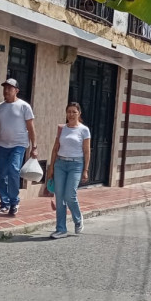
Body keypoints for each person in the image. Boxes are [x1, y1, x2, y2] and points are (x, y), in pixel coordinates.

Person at [0, 79, 36, 216]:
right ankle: (4, 204)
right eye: (5, 88)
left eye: (10, 88)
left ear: (16, 91)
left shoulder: (24, 106)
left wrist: (34, 147)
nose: (6, 91)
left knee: (13, 170)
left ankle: (14, 202)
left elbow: (31, 128)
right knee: (2, 175)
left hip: (19, 145)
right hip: (2, 145)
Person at [46, 102, 91, 239]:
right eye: (69, 112)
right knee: (60, 197)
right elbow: (55, 148)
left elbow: (87, 151)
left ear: (79, 113)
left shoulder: (84, 130)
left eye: (74, 112)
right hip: (60, 164)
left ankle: (78, 219)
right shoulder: (62, 128)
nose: (71, 114)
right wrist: (51, 167)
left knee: (70, 195)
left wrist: (85, 170)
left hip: (76, 165)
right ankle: (61, 229)